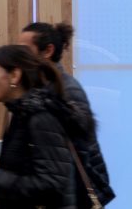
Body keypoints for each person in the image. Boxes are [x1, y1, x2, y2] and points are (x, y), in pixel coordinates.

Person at [0, 45, 81, 208]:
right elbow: (28, 177)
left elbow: (51, 184)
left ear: (14, 75)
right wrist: (3, 198)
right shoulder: (21, 114)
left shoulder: (41, 117)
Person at [19, 22, 115, 207]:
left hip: (75, 196)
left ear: (47, 51)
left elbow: (75, 154)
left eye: (24, 49)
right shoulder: (39, 89)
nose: (18, 55)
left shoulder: (66, 91)